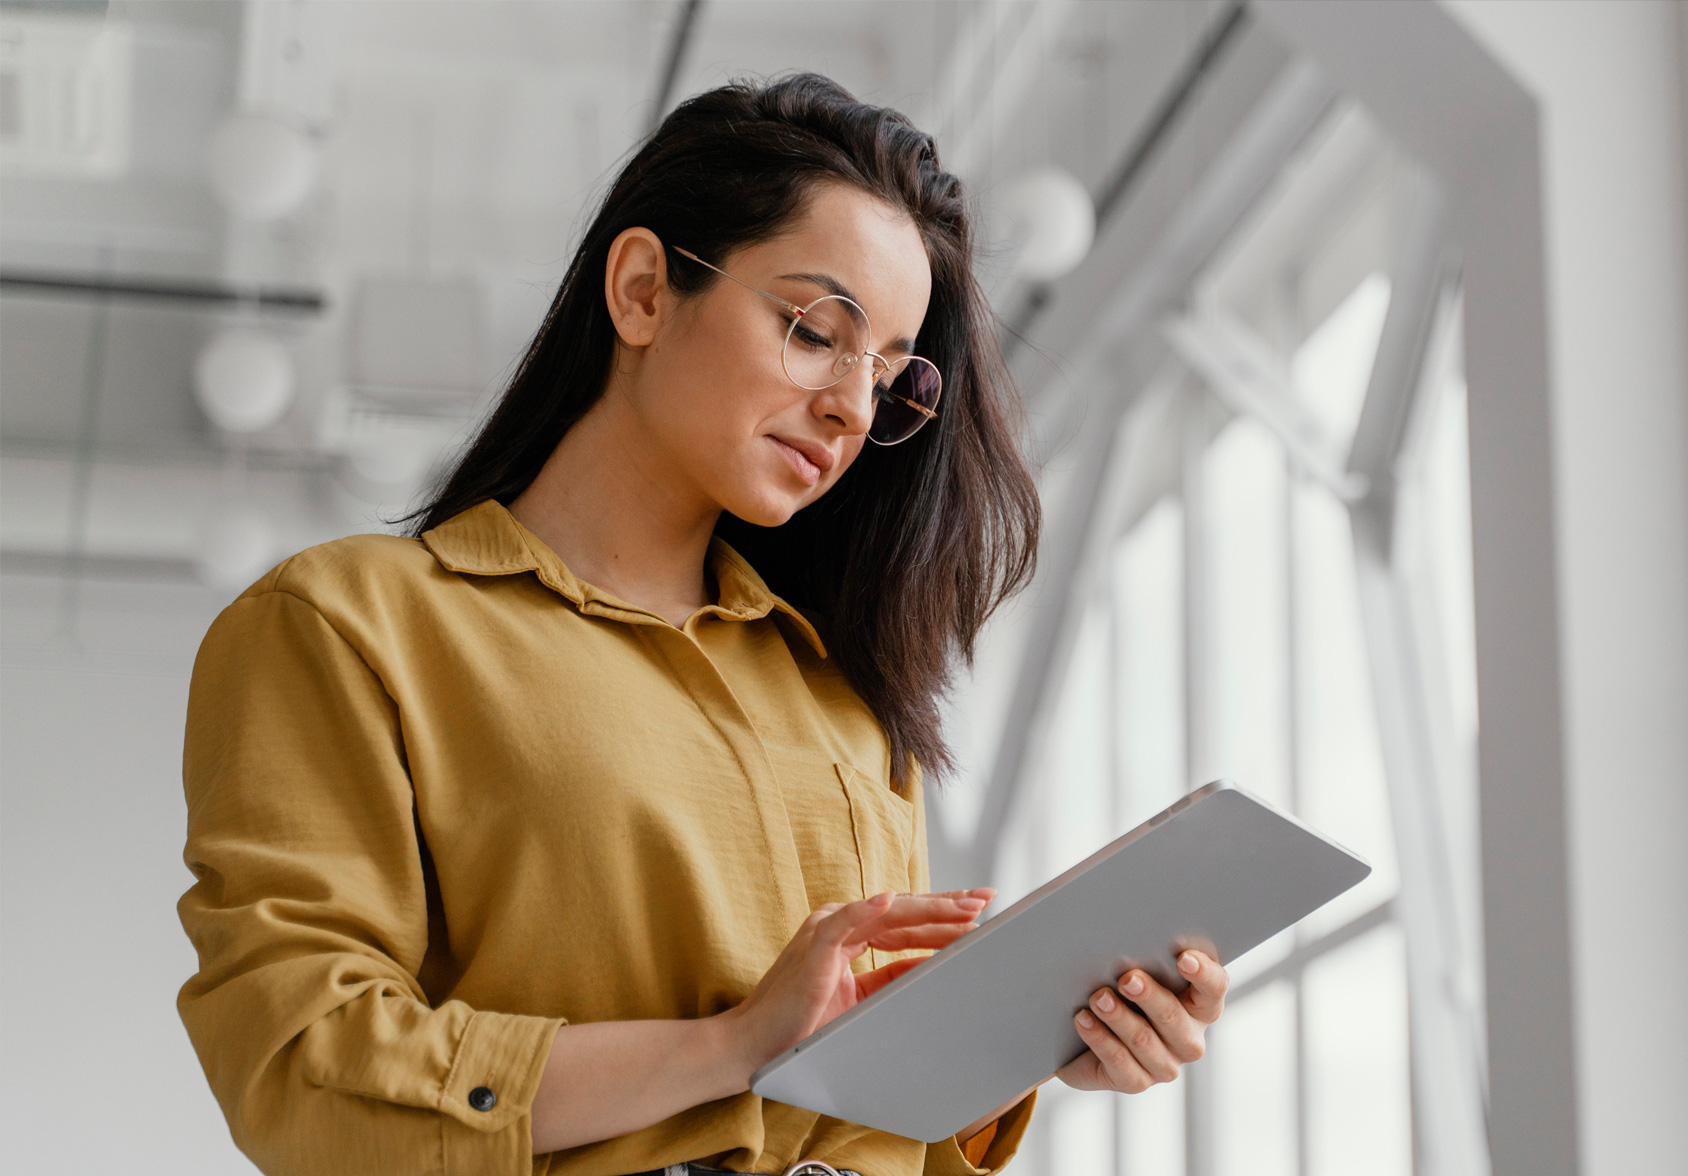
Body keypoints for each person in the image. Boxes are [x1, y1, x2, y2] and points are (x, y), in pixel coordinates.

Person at [176, 74, 1229, 1176]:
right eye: (816, 330)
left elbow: (860, 1105)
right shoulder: (353, 626)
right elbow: (300, 1066)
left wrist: (1037, 1040)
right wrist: (724, 1049)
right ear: (640, 290)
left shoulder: (841, 694)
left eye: (887, 373)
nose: (851, 408)